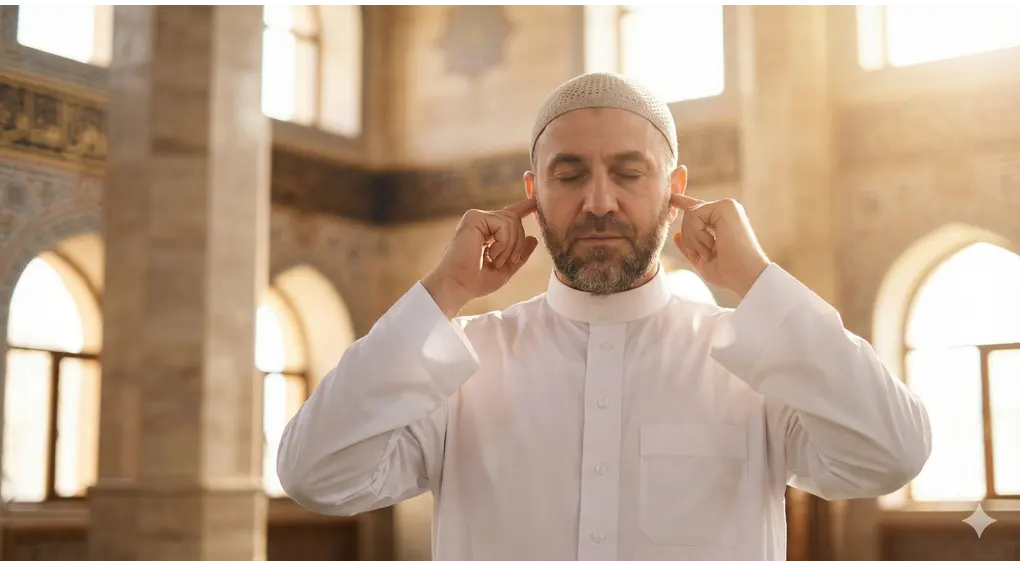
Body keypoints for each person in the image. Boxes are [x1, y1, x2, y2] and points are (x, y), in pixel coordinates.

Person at [276, 72, 931, 563]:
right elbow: (315, 476)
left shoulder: (749, 362)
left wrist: (756, 282)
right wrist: (444, 290)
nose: (598, 202)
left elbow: (891, 454)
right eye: (569, 175)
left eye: (627, 173)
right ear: (531, 193)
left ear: (675, 189)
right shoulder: (468, 362)